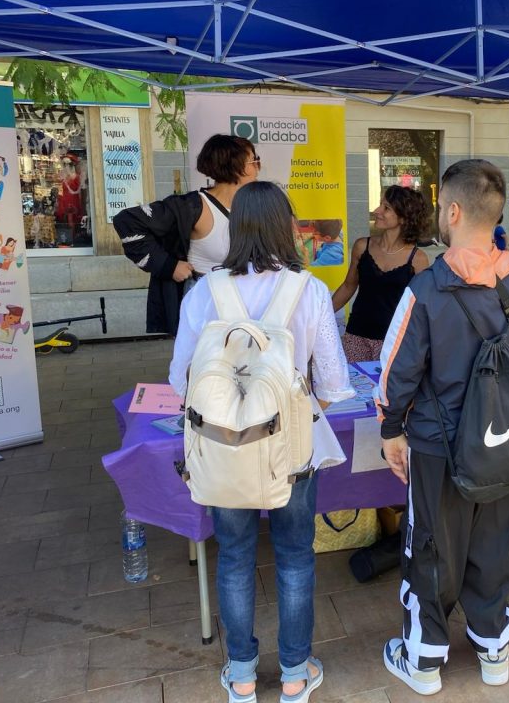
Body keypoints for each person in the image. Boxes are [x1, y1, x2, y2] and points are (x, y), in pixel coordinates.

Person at [168, 182, 354, 703]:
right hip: (292, 452)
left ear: (235, 227)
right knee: (296, 555)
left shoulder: (204, 291)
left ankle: (243, 675)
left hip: (224, 449)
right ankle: (296, 673)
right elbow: (335, 386)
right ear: (285, 225)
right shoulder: (310, 290)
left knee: (233, 556)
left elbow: (180, 380)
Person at [375, 159, 509, 694]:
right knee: (495, 543)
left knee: (431, 545)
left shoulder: (426, 290)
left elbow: (396, 371)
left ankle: (423, 661)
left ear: (451, 210)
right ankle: (493, 649)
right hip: (504, 443)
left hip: (436, 445)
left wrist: (390, 429)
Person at [114, 135, 260, 335]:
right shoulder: (191, 207)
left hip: (247, 308)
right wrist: (168, 265)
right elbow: (127, 221)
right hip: (205, 310)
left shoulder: (254, 205)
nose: (258, 167)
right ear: (237, 167)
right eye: (254, 160)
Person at [332, 185, 431, 362]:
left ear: (403, 217)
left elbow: (421, 306)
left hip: (396, 341)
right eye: (380, 205)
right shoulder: (362, 246)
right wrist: (321, 314)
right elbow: (348, 286)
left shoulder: (418, 259)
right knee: (354, 387)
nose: (377, 211)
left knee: (387, 390)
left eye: (386, 208)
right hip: (356, 336)